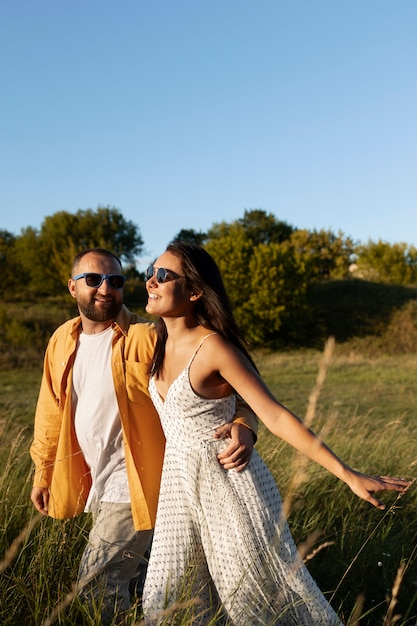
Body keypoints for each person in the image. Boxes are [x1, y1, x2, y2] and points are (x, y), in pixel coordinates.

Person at [142, 241, 411, 626]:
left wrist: (347, 474)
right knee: (167, 600)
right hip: (179, 489)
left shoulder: (214, 347)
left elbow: (276, 415)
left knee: (252, 602)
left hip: (229, 485)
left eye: (164, 275)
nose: (152, 280)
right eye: (150, 272)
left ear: (196, 291)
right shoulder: (158, 341)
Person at [29, 247, 258, 625]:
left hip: (137, 484)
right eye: (94, 280)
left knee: (97, 581)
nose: (105, 288)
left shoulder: (147, 336)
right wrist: (44, 472)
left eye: (115, 281)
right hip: (92, 481)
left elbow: (233, 387)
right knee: (142, 587)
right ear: (73, 288)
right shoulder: (61, 340)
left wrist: (245, 425)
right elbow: (50, 412)